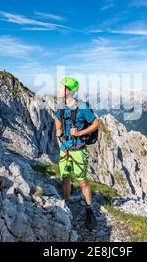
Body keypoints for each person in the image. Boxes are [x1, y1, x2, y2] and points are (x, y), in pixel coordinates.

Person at [55, 77, 99, 231]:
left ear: (69, 90)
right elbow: (57, 119)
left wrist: (80, 132)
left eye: (61, 87)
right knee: (65, 177)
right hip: (65, 148)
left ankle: (89, 210)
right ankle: (66, 203)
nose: (59, 89)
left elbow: (95, 123)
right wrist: (58, 129)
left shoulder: (82, 107)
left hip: (78, 149)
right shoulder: (60, 105)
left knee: (82, 181)